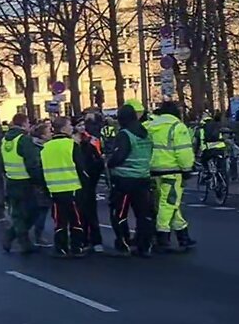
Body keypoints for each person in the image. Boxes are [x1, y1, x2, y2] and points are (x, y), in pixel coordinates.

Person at [146, 101, 197, 252]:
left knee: (168, 204)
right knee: (168, 203)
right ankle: (163, 236)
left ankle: (183, 236)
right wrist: (187, 168)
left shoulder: (150, 127)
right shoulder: (177, 127)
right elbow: (183, 151)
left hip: (153, 170)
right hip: (172, 171)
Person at [107, 103, 155, 257]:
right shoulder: (145, 133)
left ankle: (123, 243)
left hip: (124, 180)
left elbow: (119, 157)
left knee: (119, 213)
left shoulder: (125, 134)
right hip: (143, 178)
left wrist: (109, 162)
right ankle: (144, 245)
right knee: (143, 214)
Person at [42, 117, 86, 257]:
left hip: (54, 190)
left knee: (59, 221)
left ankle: (60, 248)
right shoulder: (72, 145)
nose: (71, 128)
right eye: (69, 126)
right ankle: (76, 247)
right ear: (63, 128)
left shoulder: (46, 147)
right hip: (72, 188)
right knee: (76, 220)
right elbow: (81, 168)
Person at [0, 113, 43, 254]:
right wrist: (39, 180)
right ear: (24, 123)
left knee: (18, 214)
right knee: (32, 212)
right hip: (26, 182)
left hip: (12, 180)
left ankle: (15, 238)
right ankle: (19, 239)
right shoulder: (24, 140)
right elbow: (32, 163)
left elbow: (1, 162)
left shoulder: (5, 140)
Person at [75, 123, 106, 253]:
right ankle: (95, 241)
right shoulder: (89, 147)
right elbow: (98, 164)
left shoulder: (78, 148)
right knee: (90, 214)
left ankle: (84, 240)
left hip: (78, 184)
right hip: (88, 184)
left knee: (81, 215)